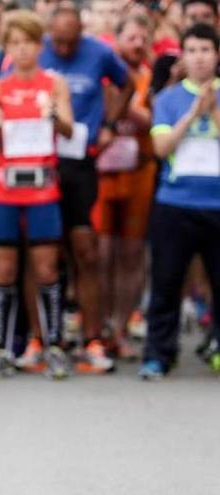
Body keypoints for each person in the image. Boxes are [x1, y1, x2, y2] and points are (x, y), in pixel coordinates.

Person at [0, 9, 75, 379]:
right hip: (5, 186)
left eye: (29, 43)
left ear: (39, 45)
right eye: (15, 43)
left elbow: (67, 130)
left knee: (47, 266)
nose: (22, 50)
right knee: (3, 267)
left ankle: (53, 346)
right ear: (8, 46)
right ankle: (1, 349)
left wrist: (54, 115)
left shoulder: (54, 84)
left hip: (43, 185)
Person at [39, 5, 131, 374]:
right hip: (41, 161)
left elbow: (127, 82)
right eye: (57, 42)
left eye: (69, 42)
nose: (62, 49)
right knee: (46, 252)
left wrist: (110, 123)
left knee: (85, 249)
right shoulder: (36, 51)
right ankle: (47, 337)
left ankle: (93, 337)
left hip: (81, 160)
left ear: (80, 32)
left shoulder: (99, 52)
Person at [139, 23, 220, 380]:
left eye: (206, 50)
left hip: (216, 205)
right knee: (166, 282)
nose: (200, 58)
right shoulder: (168, 99)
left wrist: (213, 110)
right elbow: (160, 148)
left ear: (216, 55)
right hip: (175, 204)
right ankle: (159, 354)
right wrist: (193, 113)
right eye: (193, 51)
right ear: (183, 57)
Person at [91, 14, 156, 361]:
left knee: (131, 254)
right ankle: (99, 327)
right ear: (116, 41)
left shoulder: (152, 76)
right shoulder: (102, 77)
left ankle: (120, 328)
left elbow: (155, 120)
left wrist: (127, 105)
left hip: (139, 171)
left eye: (143, 38)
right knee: (102, 254)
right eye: (131, 37)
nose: (137, 43)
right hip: (102, 173)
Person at [151, 0, 218, 95]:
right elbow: (157, 105)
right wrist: (175, 78)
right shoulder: (166, 61)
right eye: (193, 17)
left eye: (206, 16)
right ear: (182, 20)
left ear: (216, 19)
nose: (199, 22)